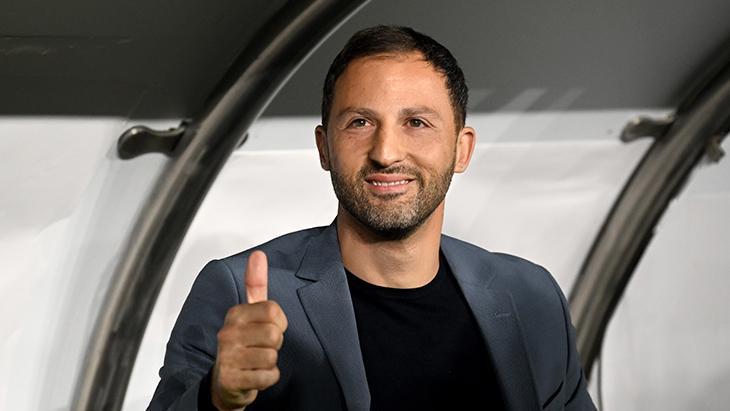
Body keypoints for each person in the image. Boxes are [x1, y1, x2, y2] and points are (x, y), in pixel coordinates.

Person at [149, 25, 596, 411]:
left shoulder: (532, 297)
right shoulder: (238, 294)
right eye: (360, 123)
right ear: (324, 147)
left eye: (416, 123)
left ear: (462, 150)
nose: (385, 152)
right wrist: (217, 399)